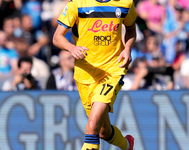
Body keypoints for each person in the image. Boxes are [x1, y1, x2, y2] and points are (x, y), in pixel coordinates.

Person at [53, 0, 137, 149]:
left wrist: (127, 48)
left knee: (91, 127)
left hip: (113, 70)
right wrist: (71, 48)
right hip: (85, 73)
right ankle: (127, 145)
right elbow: (57, 37)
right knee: (103, 132)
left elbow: (131, 29)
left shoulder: (125, 3)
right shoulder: (77, 4)